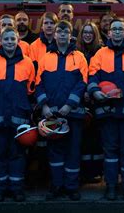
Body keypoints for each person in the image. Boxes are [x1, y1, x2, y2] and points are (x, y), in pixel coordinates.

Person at [88, 18, 124, 201]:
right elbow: (92, 78)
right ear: (109, 32)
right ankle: (111, 187)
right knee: (110, 151)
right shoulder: (100, 54)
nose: (117, 32)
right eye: (114, 29)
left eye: (121, 28)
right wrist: (95, 92)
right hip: (107, 112)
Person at [35, 20, 88, 201]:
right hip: (53, 114)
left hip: (73, 113)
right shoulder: (45, 57)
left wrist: (69, 105)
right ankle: (56, 186)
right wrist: (44, 106)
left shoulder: (79, 57)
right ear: (55, 35)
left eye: (66, 32)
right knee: (55, 152)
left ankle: (71, 187)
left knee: (73, 151)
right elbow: (38, 83)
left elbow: (83, 83)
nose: (62, 35)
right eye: (59, 31)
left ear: (70, 35)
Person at [0, 27, 35, 202]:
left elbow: (31, 90)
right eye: (6, 39)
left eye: (12, 39)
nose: (9, 42)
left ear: (18, 41)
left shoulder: (28, 63)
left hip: (19, 118)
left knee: (17, 154)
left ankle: (16, 189)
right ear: (0, 41)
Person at [76, 23, 104, 183]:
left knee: (96, 136)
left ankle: (96, 171)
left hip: (96, 99)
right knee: (82, 137)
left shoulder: (101, 52)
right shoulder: (76, 51)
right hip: (79, 99)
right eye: (84, 32)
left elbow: (99, 73)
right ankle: (84, 171)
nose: (87, 35)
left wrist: (92, 91)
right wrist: (83, 92)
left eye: (90, 33)